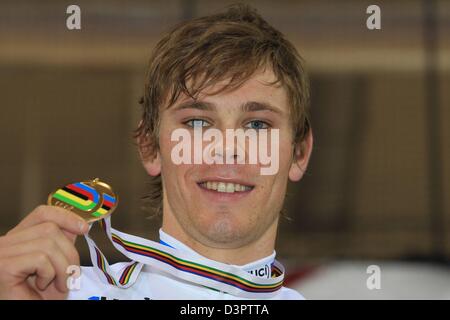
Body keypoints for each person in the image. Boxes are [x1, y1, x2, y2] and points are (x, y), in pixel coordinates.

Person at [0, 4, 313, 300]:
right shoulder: (56, 293)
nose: (227, 148)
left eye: (257, 125)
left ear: (299, 153)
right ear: (150, 146)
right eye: (197, 122)